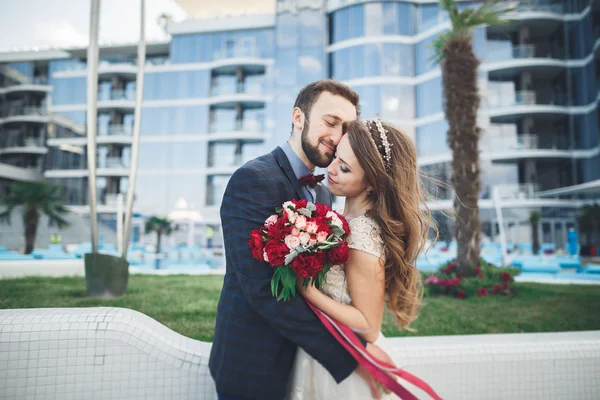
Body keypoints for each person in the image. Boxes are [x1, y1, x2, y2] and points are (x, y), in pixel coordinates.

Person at [209, 80, 395, 400]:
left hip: (306, 364)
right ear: (299, 117)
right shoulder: (253, 179)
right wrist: (354, 356)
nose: (337, 137)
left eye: (345, 127)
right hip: (253, 365)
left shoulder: (324, 191)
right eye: (330, 122)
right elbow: (263, 290)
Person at [287, 118, 435, 399]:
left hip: (348, 360)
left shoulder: (361, 233)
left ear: (372, 184)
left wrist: (307, 290)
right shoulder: (344, 219)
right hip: (328, 350)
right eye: (335, 158)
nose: (330, 170)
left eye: (344, 168)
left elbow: (368, 325)